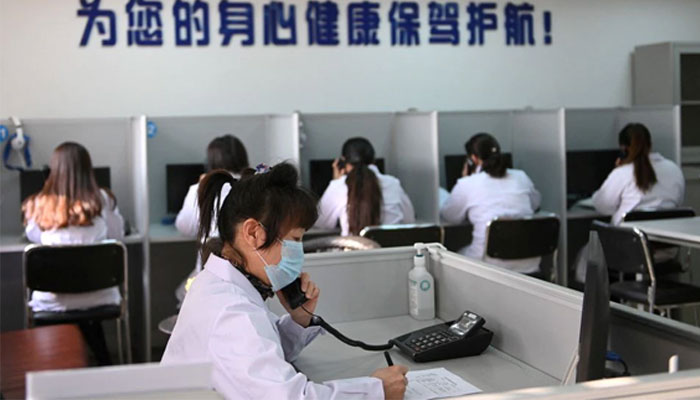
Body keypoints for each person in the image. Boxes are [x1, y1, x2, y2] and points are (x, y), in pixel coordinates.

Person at [161, 163, 408, 399]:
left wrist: (299, 322)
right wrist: (376, 391)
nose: (298, 251)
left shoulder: (222, 284)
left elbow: (261, 356)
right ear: (253, 233)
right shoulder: (234, 313)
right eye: (295, 239)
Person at [22, 142, 124, 364]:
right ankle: (103, 362)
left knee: (71, 296)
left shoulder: (39, 204)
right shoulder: (103, 200)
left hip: (52, 301)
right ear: (88, 169)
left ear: (54, 169)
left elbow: (34, 238)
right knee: (86, 307)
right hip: (100, 296)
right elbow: (118, 234)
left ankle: (62, 365)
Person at [575, 123, 685, 282]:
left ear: (623, 149)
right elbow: (678, 204)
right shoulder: (673, 169)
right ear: (650, 144)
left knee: (587, 255)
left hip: (631, 250)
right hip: (667, 250)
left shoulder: (623, 172)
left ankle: (593, 304)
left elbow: (602, 205)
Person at [440, 133, 542, 274]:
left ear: (473, 159)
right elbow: (535, 205)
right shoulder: (521, 177)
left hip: (488, 266)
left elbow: (450, 216)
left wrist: (465, 179)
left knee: (451, 258)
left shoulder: (467, 184)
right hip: (528, 262)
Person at [174, 134, 249, 301]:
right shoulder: (253, 187)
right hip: (247, 274)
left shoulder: (202, 188)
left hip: (210, 272)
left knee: (181, 293)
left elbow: (184, 227)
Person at [314, 137, 415, 236]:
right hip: (391, 251)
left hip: (353, 251)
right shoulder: (393, 184)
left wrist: (336, 181)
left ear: (343, 161)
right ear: (373, 159)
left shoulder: (338, 186)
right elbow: (409, 220)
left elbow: (321, 223)